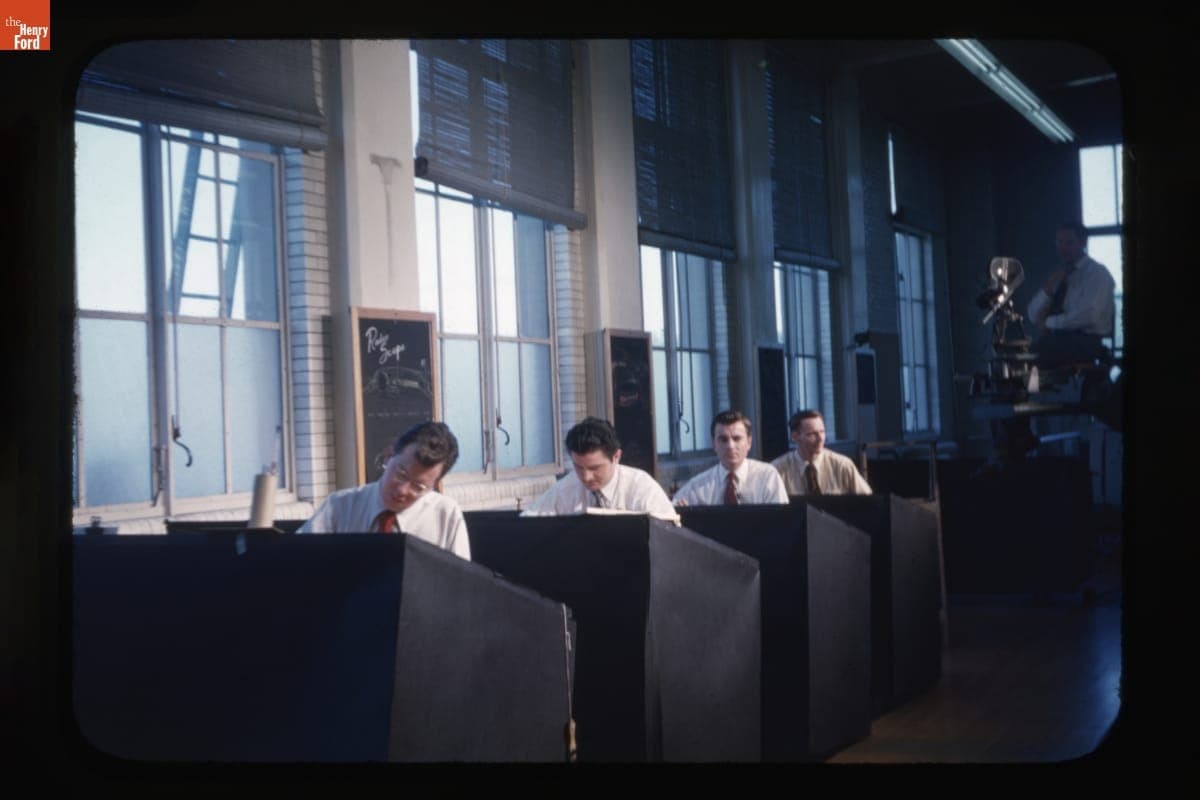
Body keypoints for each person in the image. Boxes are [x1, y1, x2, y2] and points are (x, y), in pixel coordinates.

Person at [296, 421, 470, 560]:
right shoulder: (339, 507)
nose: (402, 490)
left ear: (434, 485)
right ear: (388, 456)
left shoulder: (446, 515)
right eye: (401, 474)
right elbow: (296, 560)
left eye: (418, 486)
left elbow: (460, 585)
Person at [521, 417, 678, 521]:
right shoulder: (566, 488)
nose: (586, 477)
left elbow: (670, 536)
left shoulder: (641, 487)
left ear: (616, 457)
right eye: (578, 467)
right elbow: (527, 523)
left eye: (595, 468)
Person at [1027, 220, 1116, 370]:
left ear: (1083, 242)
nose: (1062, 248)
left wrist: (1049, 323)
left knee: (1034, 356)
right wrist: (1047, 289)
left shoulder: (1097, 274)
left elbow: (1089, 316)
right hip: (1057, 339)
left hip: (1086, 342)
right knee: (1022, 355)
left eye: (1069, 243)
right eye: (1059, 242)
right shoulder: (1059, 274)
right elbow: (1033, 315)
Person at [673, 410, 788, 506]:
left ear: (749, 442)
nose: (730, 446)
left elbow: (782, 520)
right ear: (714, 444)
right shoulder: (697, 487)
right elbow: (672, 511)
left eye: (737, 438)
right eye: (723, 439)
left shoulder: (767, 477)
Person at [771, 409, 871, 496]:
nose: (820, 438)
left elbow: (868, 501)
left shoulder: (842, 465)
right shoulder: (777, 470)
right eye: (812, 434)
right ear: (795, 437)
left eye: (822, 432)